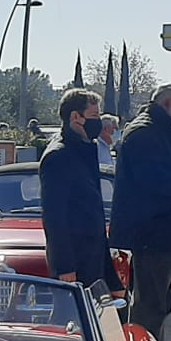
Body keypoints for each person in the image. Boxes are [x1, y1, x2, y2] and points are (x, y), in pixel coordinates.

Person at [111, 84, 171, 338]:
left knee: (161, 304)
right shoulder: (144, 133)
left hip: (167, 230)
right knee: (150, 306)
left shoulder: (163, 132)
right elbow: (155, 179)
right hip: (153, 232)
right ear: (167, 104)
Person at [40, 89, 113, 290]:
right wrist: (65, 266)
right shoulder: (59, 156)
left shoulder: (85, 150)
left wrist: (111, 276)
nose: (98, 122)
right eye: (94, 116)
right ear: (75, 117)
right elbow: (55, 217)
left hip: (93, 261)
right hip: (75, 264)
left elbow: (95, 214)